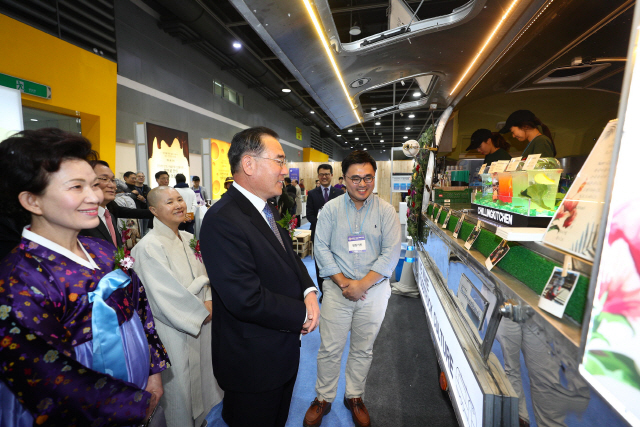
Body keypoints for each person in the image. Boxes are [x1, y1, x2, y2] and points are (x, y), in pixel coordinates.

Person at [0, 128, 170, 425]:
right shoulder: (19, 280)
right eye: (76, 187)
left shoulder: (101, 249)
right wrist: (135, 405)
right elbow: (50, 378)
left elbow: (140, 308)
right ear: (32, 201)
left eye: (94, 184)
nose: (94, 196)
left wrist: (154, 373)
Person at [199, 126, 320, 427]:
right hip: (252, 364)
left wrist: (308, 290)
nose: (285, 170)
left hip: (280, 354)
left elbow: (289, 258)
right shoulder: (222, 220)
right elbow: (246, 299)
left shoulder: (263, 209)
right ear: (249, 164)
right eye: (279, 161)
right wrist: (302, 312)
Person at [304, 150, 401, 427]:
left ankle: (355, 396)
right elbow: (320, 248)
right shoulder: (331, 210)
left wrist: (362, 285)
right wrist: (346, 283)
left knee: (363, 348)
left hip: (374, 291)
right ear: (343, 179)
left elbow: (391, 253)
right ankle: (323, 398)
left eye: (368, 178)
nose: (362, 184)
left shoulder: (386, 211)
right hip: (337, 290)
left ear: (374, 178)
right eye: (355, 178)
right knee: (329, 348)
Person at [132, 187, 223, 427]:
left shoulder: (189, 238)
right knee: (178, 386)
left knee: (200, 377)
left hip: (202, 315)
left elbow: (205, 274)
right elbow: (163, 294)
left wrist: (209, 300)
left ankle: (200, 419)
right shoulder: (147, 247)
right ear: (153, 210)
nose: (178, 205)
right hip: (172, 325)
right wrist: (200, 312)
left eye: (180, 199)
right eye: (169, 201)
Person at [80, 160, 154, 247]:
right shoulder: (79, 220)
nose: (112, 185)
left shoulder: (109, 214)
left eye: (113, 180)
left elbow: (129, 212)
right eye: (104, 179)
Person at [306, 164, 342, 298]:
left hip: (336, 235)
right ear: (318, 176)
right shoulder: (312, 193)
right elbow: (309, 214)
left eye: (327, 174)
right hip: (318, 234)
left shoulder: (339, 193)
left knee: (336, 261)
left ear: (332, 175)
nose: (324, 177)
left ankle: (336, 288)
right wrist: (322, 225)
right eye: (321, 174)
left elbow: (342, 214)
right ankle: (323, 291)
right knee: (319, 263)